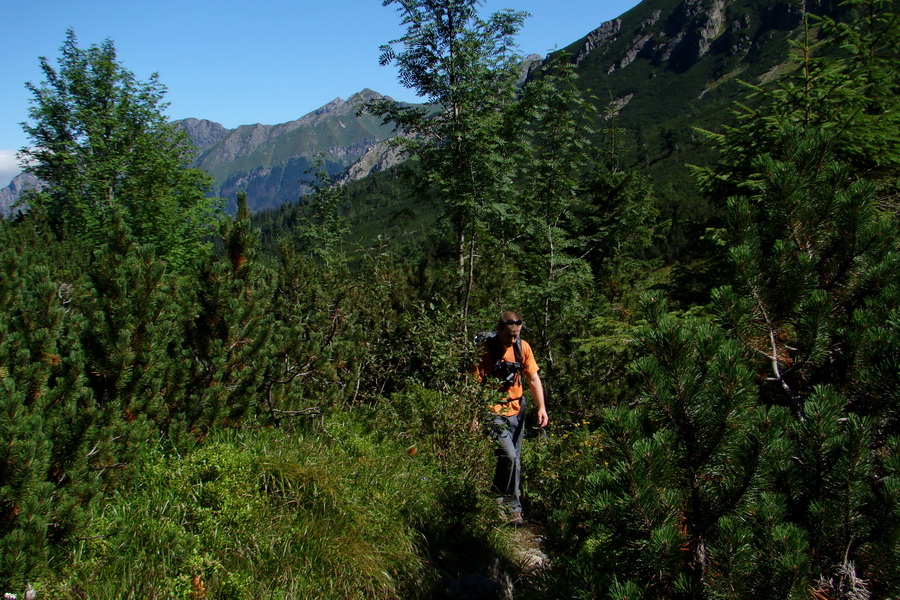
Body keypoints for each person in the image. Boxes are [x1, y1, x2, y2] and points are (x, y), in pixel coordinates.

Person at [473, 311, 548, 526]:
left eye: (516, 335)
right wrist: (474, 417)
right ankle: (510, 506)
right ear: (499, 330)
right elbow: (473, 384)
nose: (512, 340)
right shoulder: (485, 350)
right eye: (509, 336)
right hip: (492, 410)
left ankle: (504, 505)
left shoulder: (522, 348)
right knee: (510, 457)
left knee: (513, 460)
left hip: (517, 409)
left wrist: (541, 407)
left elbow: (533, 378)